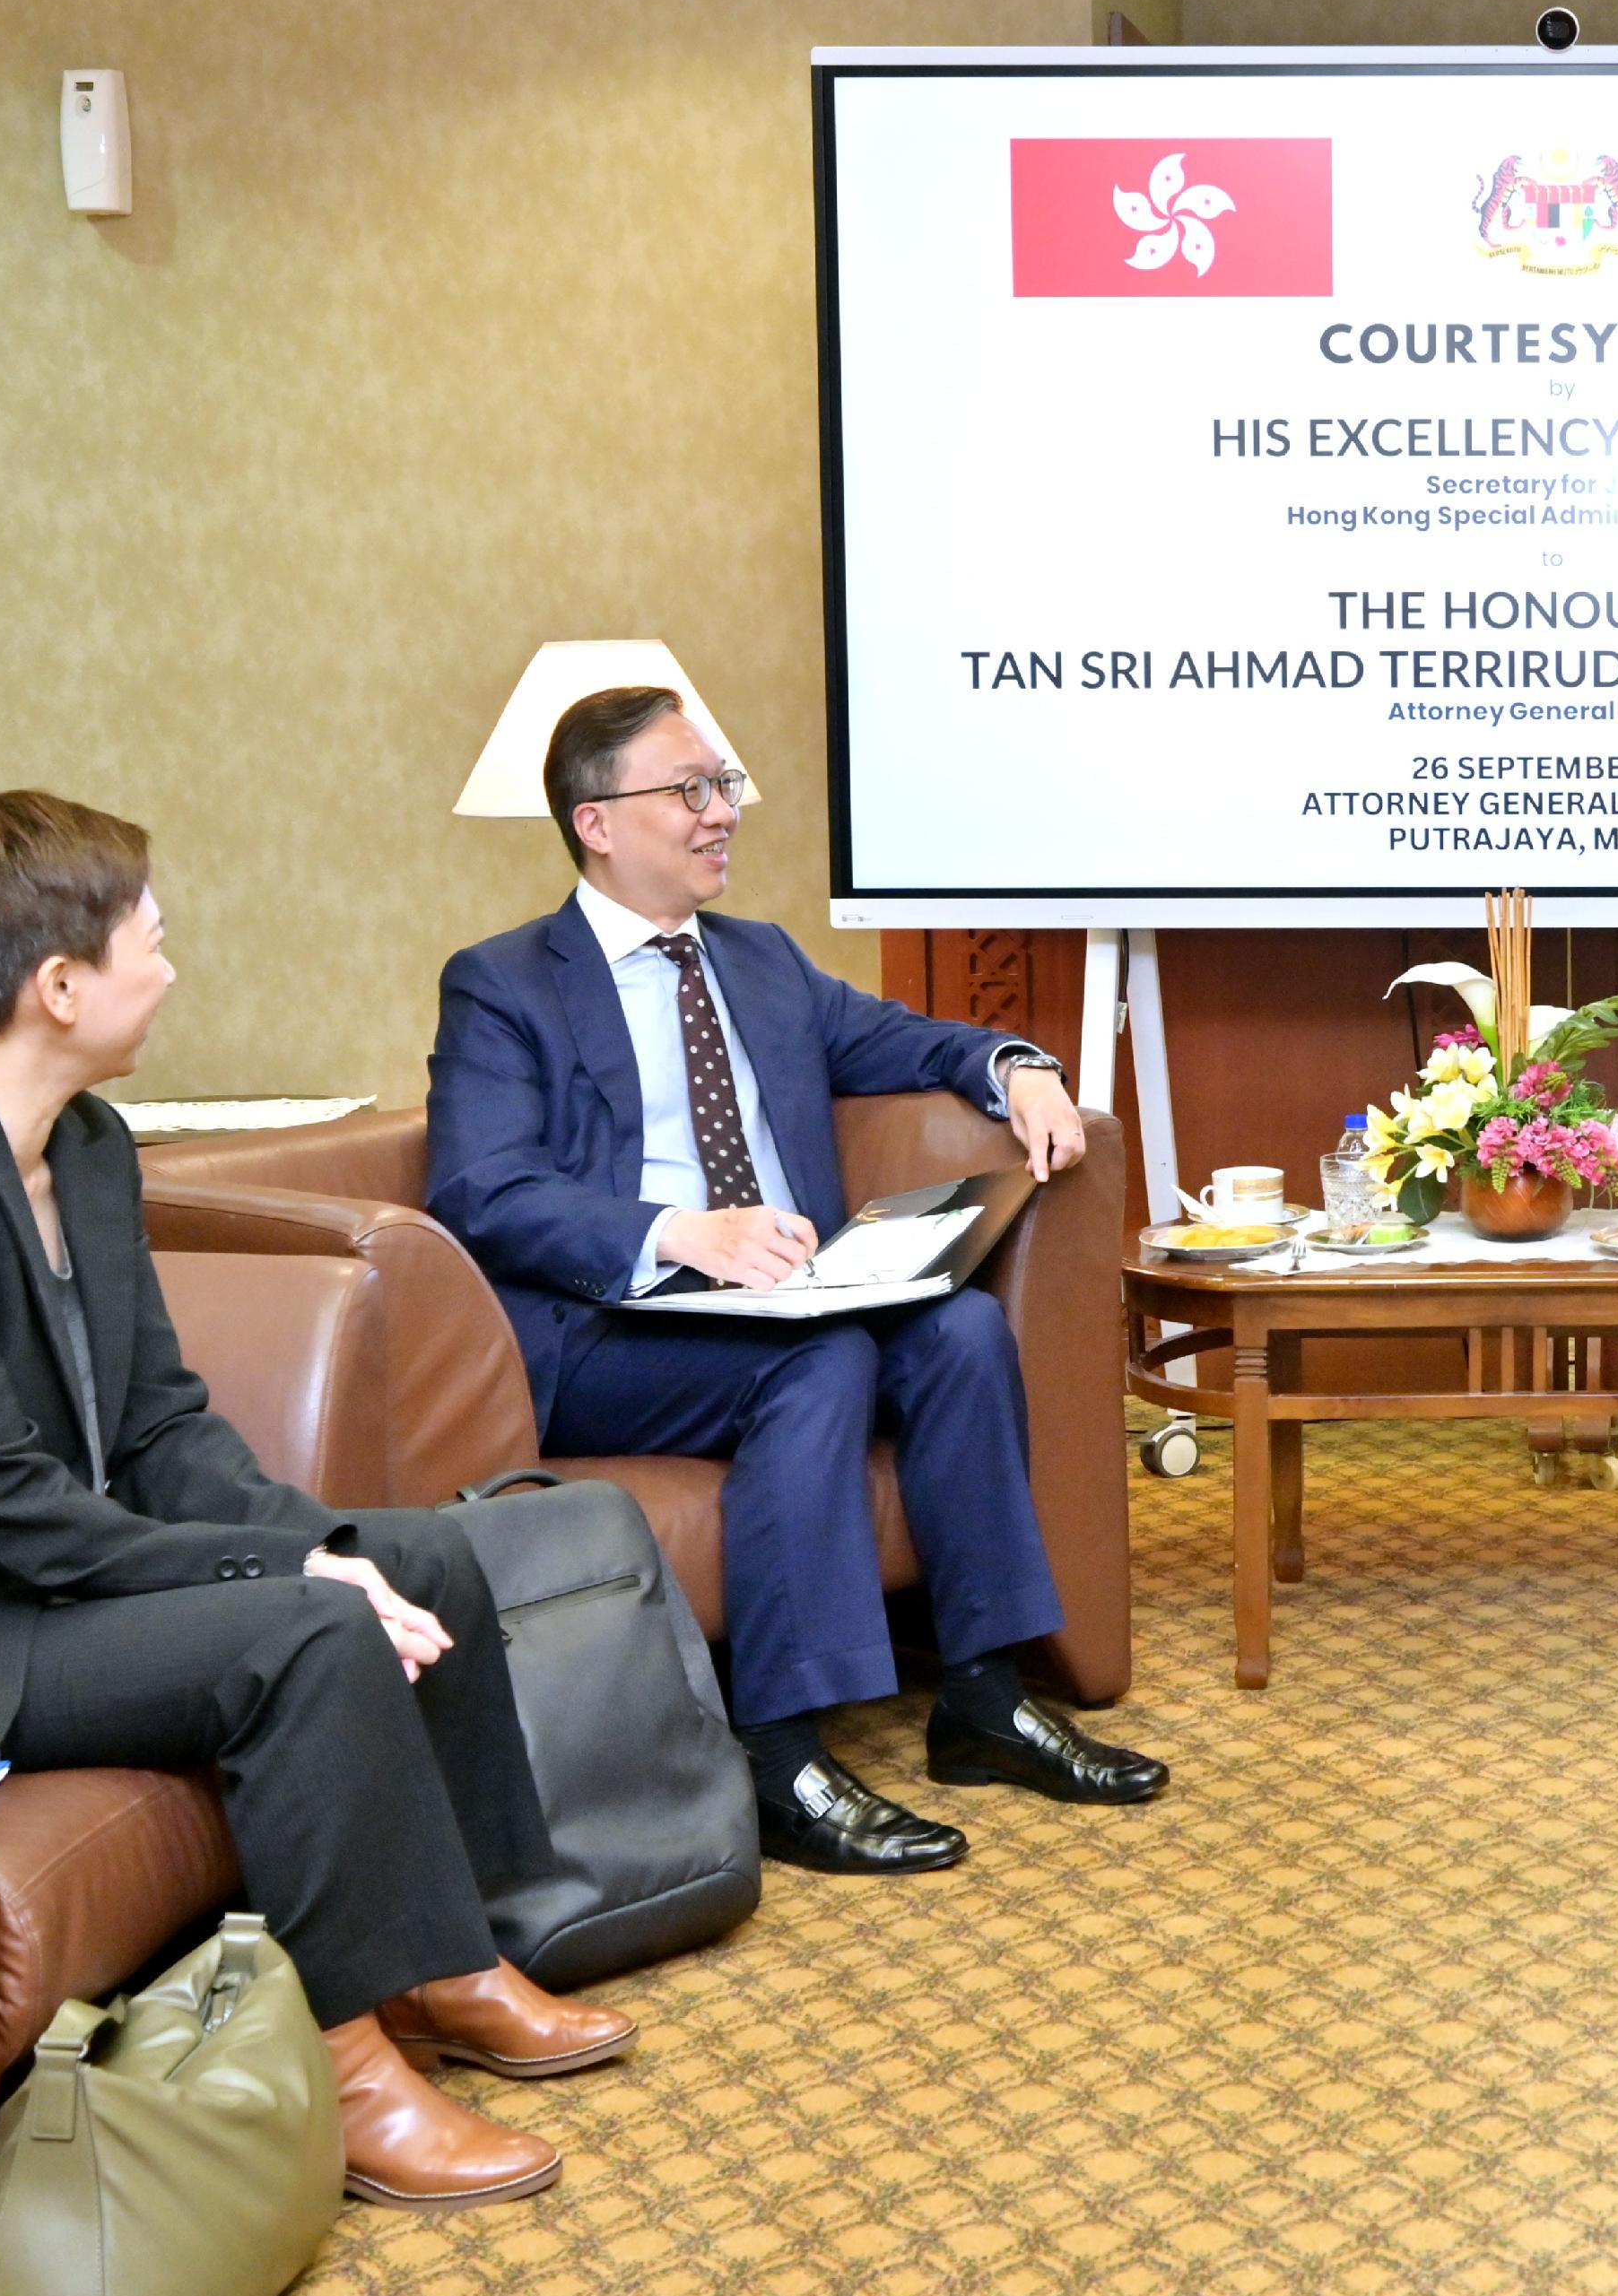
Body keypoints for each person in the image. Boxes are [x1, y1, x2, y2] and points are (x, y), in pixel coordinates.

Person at [0, 792, 632, 2212]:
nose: (168, 969)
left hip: (64, 1576)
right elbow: (7, 1517)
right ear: (59, 986)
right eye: (148, 944)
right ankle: (346, 2067)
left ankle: (455, 1963)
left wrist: (316, 1541)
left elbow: (158, 1419)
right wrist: (284, 1580)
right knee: (307, 1630)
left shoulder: (89, 1149)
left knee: (423, 1556)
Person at [427, 684, 1165, 1878]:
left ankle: (982, 1695)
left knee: (963, 1333)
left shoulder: (761, 962)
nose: (724, 814)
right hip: (614, 1331)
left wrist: (1016, 1066)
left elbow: (913, 1041)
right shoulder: (507, 984)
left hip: (789, 1297)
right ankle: (779, 1753)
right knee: (820, 1361)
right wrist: (679, 1231)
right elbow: (482, 1188)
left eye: (728, 786)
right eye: (691, 791)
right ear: (596, 822)